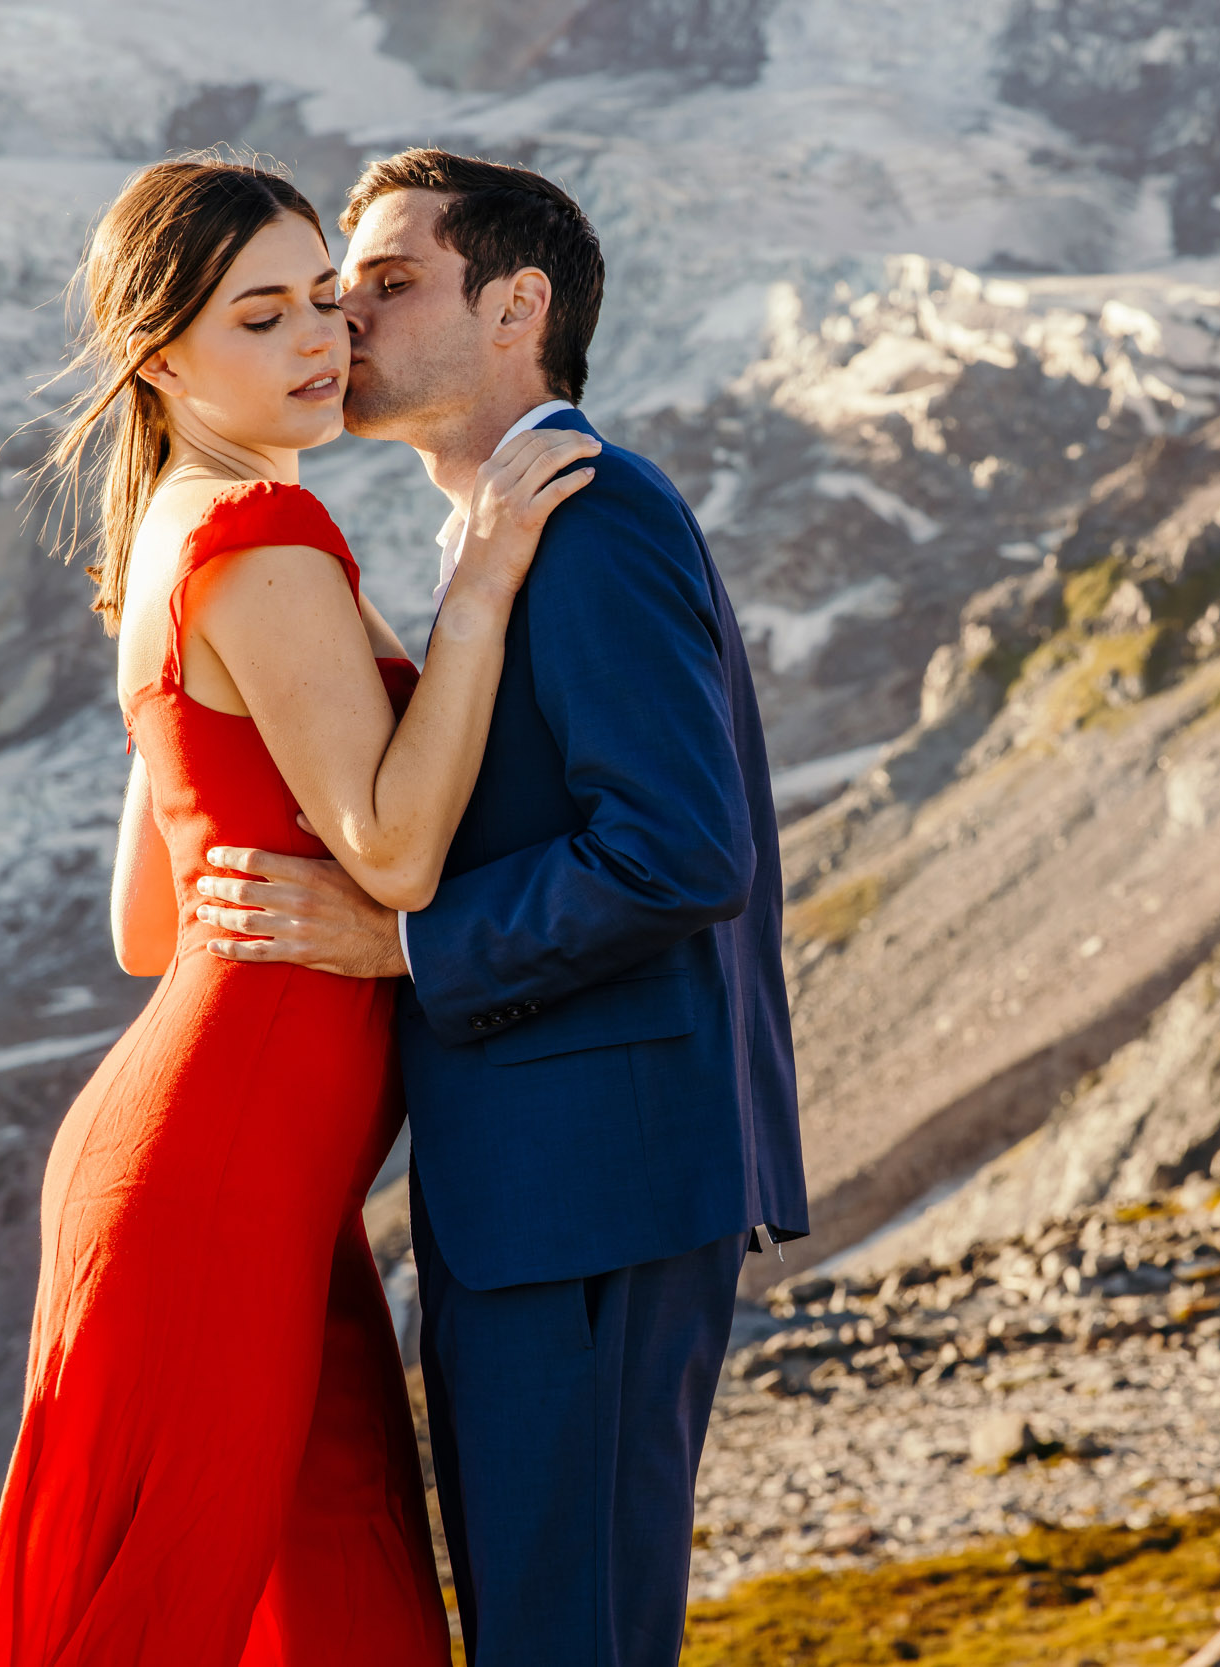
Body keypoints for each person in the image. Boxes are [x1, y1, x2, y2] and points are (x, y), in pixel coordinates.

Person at [0, 156, 598, 1666]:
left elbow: (148, 922)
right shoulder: (260, 540)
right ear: (160, 354)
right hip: (229, 1169)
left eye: (325, 299)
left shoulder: (181, 537)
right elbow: (387, 850)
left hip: (226, 1163)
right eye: (262, 316)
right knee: (178, 1612)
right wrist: (485, 590)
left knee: (328, 1602)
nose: (320, 340)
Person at [193, 150, 809, 1664]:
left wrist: (401, 939)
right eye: (338, 289)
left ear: (517, 306)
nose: (343, 319)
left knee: (568, 1636)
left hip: (594, 1191)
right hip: (537, 1191)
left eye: (389, 285)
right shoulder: (508, 531)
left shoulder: (595, 518)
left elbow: (676, 851)